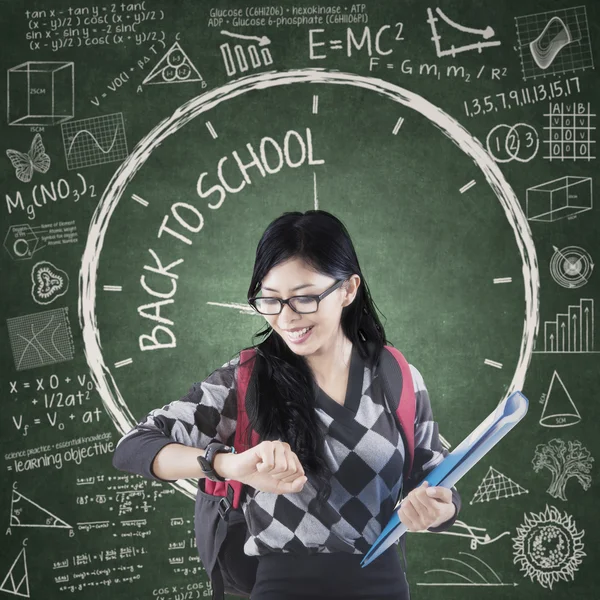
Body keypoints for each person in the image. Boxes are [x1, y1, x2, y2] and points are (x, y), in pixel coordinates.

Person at [112, 210, 461, 600]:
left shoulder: (397, 376)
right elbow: (134, 446)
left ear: (348, 289)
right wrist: (229, 465)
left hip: (383, 585)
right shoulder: (245, 381)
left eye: (305, 298)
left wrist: (440, 510)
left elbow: (433, 475)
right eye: (270, 300)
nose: (287, 317)